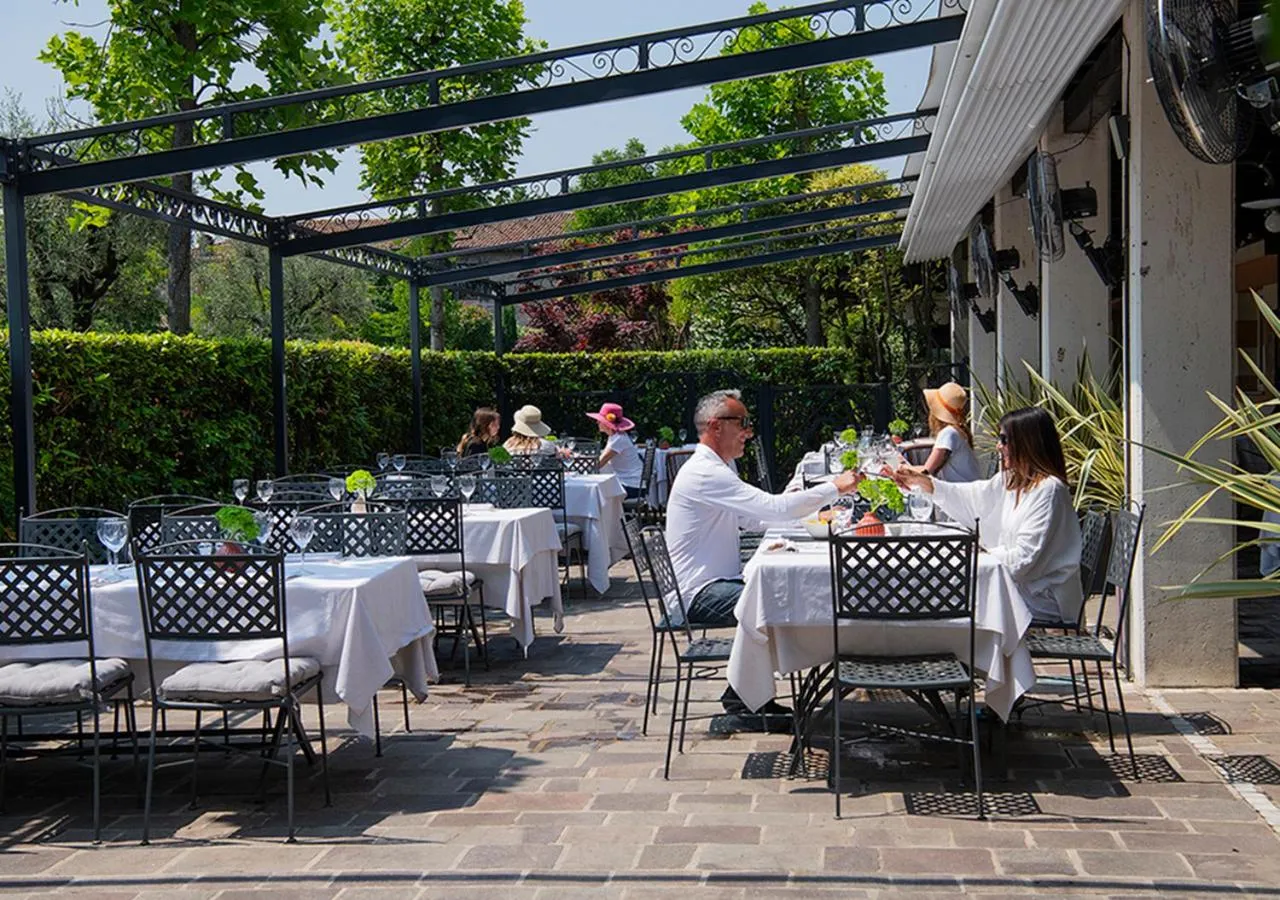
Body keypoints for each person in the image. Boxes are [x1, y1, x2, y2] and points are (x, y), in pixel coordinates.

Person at [664, 389, 862, 731]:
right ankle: (746, 701)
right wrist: (835, 487)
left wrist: (809, 515)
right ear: (715, 426)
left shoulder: (719, 467)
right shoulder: (705, 472)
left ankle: (748, 696)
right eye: (742, 423)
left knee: (779, 597)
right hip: (697, 594)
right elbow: (773, 510)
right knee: (777, 601)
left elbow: (755, 519)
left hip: (716, 583)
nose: (749, 431)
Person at [894, 406, 1083, 625]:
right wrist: (925, 483)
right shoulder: (1012, 481)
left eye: (1004, 439)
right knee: (940, 600)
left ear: (1027, 443)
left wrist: (978, 555)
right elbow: (973, 498)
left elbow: (1024, 560)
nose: (998, 446)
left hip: (1041, 601)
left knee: (945, 605)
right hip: (1015, 590)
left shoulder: (1049, 491)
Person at [901, 381, 983, 483]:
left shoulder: (948, 433)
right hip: (969, 489)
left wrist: (901, 466)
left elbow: (926, 472)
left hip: (962, 491)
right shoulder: (959, 431)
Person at [587, 402, 644, 499]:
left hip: (632, 486)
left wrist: (577, 465)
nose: (597, 422)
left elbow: (598, 464)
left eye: (600, 420)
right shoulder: (615, 437)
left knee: (594, 492)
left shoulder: (618, 440)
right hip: (632, 483)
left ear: (607, 423)